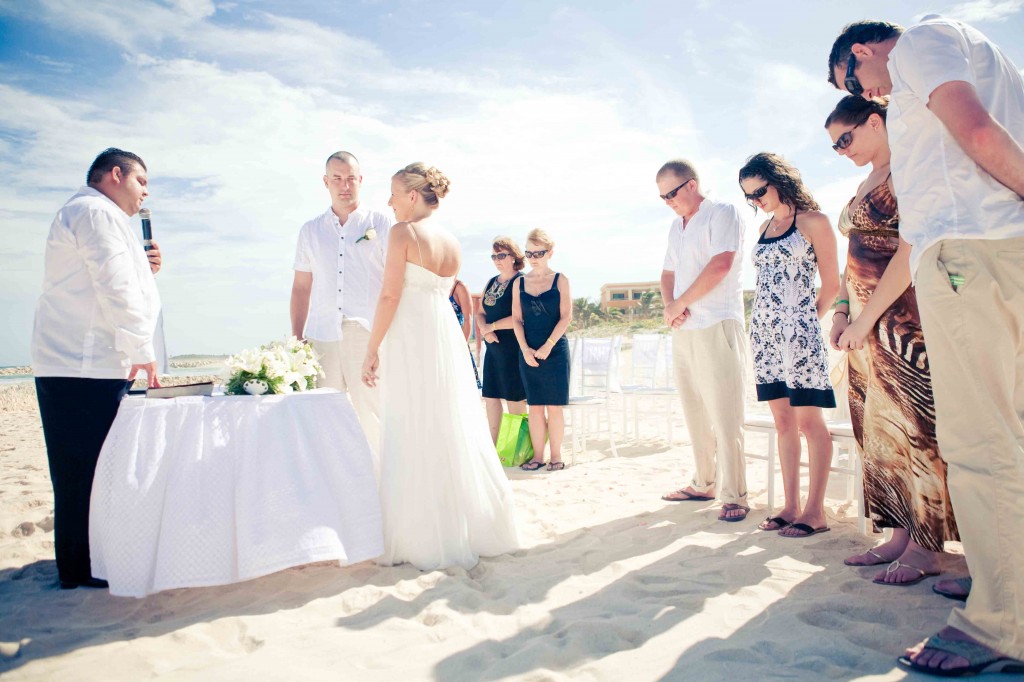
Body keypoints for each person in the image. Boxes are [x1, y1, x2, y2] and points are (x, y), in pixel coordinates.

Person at [828, 16, 1024, 676]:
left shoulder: (919, 44)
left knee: (982, 443)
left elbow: (974, 132)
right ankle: (1009, 592)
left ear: (861, 53)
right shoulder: (978, 58)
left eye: (851, 82)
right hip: (997, 248)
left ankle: (1002, 626)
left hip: (968, 257)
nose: (867, 94)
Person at [825, 95, 959, 585]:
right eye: (834, 145)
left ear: (875, 122)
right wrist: (842, 312)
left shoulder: (910, 172)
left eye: (845, 138)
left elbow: (908, 252)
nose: (841, 150)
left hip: (902, 319)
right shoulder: (864, 183)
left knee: (916, 426)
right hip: (862, 322)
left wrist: (867, 320)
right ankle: (899, 532)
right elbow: (850, 259)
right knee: (878, 428)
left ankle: (928, 546)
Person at [361, 163, 518, 570]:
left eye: (393, 193)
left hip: (412, 336)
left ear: (412, 196)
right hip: (443, 335)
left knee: (411, 422)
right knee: (450, 423)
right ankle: (471, 525)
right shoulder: (452, 241)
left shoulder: (403, 233)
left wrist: (371, 347)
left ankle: (423, 534)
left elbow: (389, 297)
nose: (389, 202)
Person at [32, 148, 163, 590]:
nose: (145, 192)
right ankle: (82, 567)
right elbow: (113, 284)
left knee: (85, 467)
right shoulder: (96, 212)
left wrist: (146, 270)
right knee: (85, 469)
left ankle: (84, 562)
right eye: (141, 181)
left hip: (86, 363)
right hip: (83, 365)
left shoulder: (99, 217)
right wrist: (141, 347)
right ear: (115, 174)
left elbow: (117, 278)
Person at [739, 152, 840, 538]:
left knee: (809, 422)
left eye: (760, 190)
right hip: (764, 339)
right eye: (750, 196)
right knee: (783, 422)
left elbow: (831, 285)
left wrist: (802, 324)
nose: (757, 200)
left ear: (779, 180)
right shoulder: (764, 228)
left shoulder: (814, 222)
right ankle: (791, 505)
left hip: (799, 338)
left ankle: (815, 511)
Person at [656, 159, 750, 523]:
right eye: (662, 197)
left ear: (691, 185)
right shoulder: (675, 227)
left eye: (672, 193)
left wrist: (682, 302)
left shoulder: (722, 213)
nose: (668, 201)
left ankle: (735, 494)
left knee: (726, 415)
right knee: (694, 413)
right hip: (684, 331)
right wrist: (670, 307)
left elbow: (721, 265)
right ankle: (704, 482)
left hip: (717, 323)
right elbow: (667, 273)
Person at [290, 151, 393, 460]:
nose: (344, 185)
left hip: (366, 334)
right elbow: (300, 287)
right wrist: (297, 338)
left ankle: (381, 485)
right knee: (323, 418)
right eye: (337, 178)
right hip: (322, 335)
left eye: (350, 178)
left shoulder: (381, 223)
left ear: (360, 180)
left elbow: (393, 284)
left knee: (372, 414)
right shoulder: (310, 230)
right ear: (326, 182)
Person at [511, 229, 572, 472]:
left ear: (550, 253)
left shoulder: (561, 280)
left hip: (555, 350)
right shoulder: (520, 282)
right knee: (534, 406)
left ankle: (556, 457)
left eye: (539, 252)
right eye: (529, 253)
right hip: (527, 351)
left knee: (554, 406)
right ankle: (538, 457)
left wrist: (548, 346)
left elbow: (566, 317)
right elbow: (516, 319)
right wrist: (525, 349)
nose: (533, 257)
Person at [476, 237, 528, 443]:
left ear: (514, 256)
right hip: (493, 347)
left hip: (513, 345)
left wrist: (493, 327)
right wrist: (484, 329)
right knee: (491, 396)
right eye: (494, 256)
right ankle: (495, 444)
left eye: (502, 255)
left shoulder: (521, 281)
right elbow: (480, 311)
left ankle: (516, 444)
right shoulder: (491, 282)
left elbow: (520, 316)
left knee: (514, 396)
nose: (497, 260)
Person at [449, 277, 481, 388]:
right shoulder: (436, 286)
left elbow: (468, 319)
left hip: (457, 342)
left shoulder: (459, 287)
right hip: (439, 341)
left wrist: (461, 347)